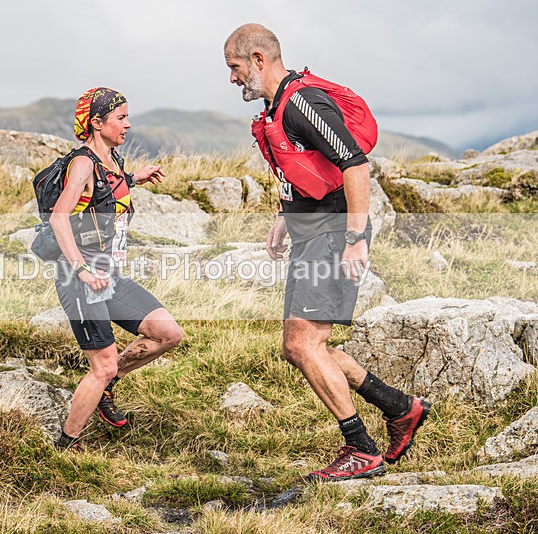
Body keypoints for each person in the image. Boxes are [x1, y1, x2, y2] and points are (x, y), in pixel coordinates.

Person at [224, 24, 430, 481]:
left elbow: (354, 162)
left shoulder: (300, 102)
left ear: (259, 59)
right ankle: (400, 408)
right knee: (299, 346)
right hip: (310, 230)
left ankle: (360, 448)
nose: (232, 78)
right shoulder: (273, 105)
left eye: (234, 68)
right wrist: (285, 214)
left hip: (335, 233)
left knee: (303, 343)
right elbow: (303, 170)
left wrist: (355, 237)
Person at [51, 87, 183, 452]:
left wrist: (136, 178)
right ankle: (67, 445)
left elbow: (105, 192)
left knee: (167, 334)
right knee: (103, 364)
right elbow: (59, 218)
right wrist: (81, 271)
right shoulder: (82, 163)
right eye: (121, 118)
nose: (128, 124)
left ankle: (110, 386)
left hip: (110, 275)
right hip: (81, 278)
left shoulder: (112, 161)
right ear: (97, 123)